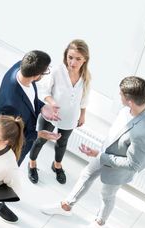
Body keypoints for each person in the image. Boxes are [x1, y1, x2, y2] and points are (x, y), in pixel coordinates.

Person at [42, 76, 145, 228]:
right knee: (86, 175)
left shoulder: (143, 133)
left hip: (117, 167)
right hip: (106, 152)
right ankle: (66, 206)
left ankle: (99, 223)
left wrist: (100, 155)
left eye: (121, 95)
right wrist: (101, 154)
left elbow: (132, 164)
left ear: (130, 101)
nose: (119, 95)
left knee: (107, 195)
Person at [0, 50, 61, 223]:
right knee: (4, 174)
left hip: (21, 130)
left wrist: (42, 107)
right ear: (36, 75)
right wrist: (41, 134)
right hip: (11, 144)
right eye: (45, 71)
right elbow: (15, 135)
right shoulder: (11, 105)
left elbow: (30, 98)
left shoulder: (20, 68)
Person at [28, 39, 91, 185]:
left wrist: (83, 114)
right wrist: (52, 103)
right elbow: (44, 90)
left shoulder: (86, 76)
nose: (73, 62)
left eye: (78, 59)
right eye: (70, 57)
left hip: (70, 116)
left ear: (85, 59)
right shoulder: (57, 71)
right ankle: (32, 163)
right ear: (66, 56)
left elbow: (85, 97)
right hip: (51, 113)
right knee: (40, 139)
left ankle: (57, 165)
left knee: (62, 143)